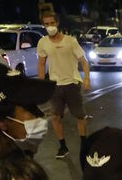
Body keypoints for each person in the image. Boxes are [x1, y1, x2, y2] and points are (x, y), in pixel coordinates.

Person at [37, 12, 91, 160]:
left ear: (57, 23)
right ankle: (62, 146)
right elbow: (41, 64)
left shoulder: (70, 41)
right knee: (55, 117)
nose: (50, 26)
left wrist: (87, 78)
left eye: (52, 23)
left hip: (72, 84)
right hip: (55, 86)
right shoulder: (43, 43)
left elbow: (84, 61)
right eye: (47, 24)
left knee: (80, 116)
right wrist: (41, 84)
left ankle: (84, 144)